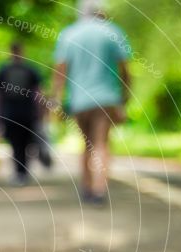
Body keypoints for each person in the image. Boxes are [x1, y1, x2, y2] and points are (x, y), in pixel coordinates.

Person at [53, 0, 131, 204]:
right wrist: (125, 98)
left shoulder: (69, 34)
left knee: (86, 143)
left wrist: (57, 100)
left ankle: (87, 188)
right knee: (101, 142)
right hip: (107, 98)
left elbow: (60, 72)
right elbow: (125, 70)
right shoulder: (113, 32)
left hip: (80, 100)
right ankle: (99, 190)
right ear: (101, 11)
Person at [0, 42, 43, 186]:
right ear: (22, 51)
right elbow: (39, 93)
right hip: (28, 113)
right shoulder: (31, 70)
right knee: (26, 143)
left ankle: (20, 173)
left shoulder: (3, 70)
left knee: (16, 144)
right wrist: (41, 113)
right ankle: (23, 172)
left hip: (10, 114)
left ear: (10, 52)